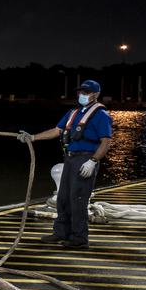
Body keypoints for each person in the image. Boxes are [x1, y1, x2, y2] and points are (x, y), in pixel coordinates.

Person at [18, 79, 113, 249]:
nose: (81, 95)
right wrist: (32, 137)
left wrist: (93, 161)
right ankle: (61, 233)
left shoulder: (101, 115)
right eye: (80, 92)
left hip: (86, 159)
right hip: (70, 158)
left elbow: (106, 142)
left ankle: (79, 238)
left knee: (78, 200)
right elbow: (57, 131)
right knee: (63, 198)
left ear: (96, 94)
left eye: (86, 92)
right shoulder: (73, 112)